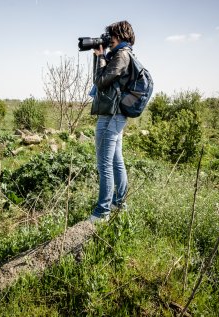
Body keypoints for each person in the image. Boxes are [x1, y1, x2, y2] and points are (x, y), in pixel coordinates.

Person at [89, 20, 135, 223]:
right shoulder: (119, 55)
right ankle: (119, 203)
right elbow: (102, 81)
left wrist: (100, 57)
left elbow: (99, 82)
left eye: (111, 36)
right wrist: (99, 56)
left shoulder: (122, 55)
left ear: (121, 36)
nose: (109, 40)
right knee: (116, 161)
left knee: (104, 163)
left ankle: (102, 212)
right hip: (112, 112)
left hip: (112, 115)